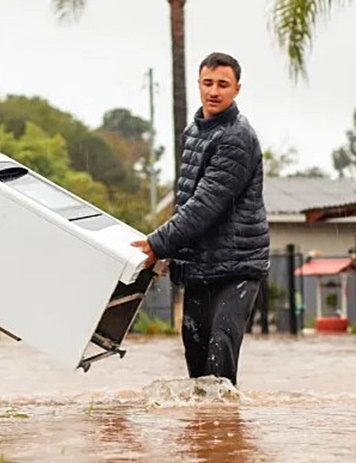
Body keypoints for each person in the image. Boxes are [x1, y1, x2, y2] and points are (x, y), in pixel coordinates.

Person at [132, 52, 270, 386]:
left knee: (219, 361)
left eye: (223, 84)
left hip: (237, 266)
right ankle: (205, 436)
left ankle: (228, 435)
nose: (214, 91)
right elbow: (186, 197)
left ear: (237, 89)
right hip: (199, 265)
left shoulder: (237, 137)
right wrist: (168, 254)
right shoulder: (194, 131)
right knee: (196, 365)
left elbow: (206, 203)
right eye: (208, 83)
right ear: (198, 84)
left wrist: (156, 242)